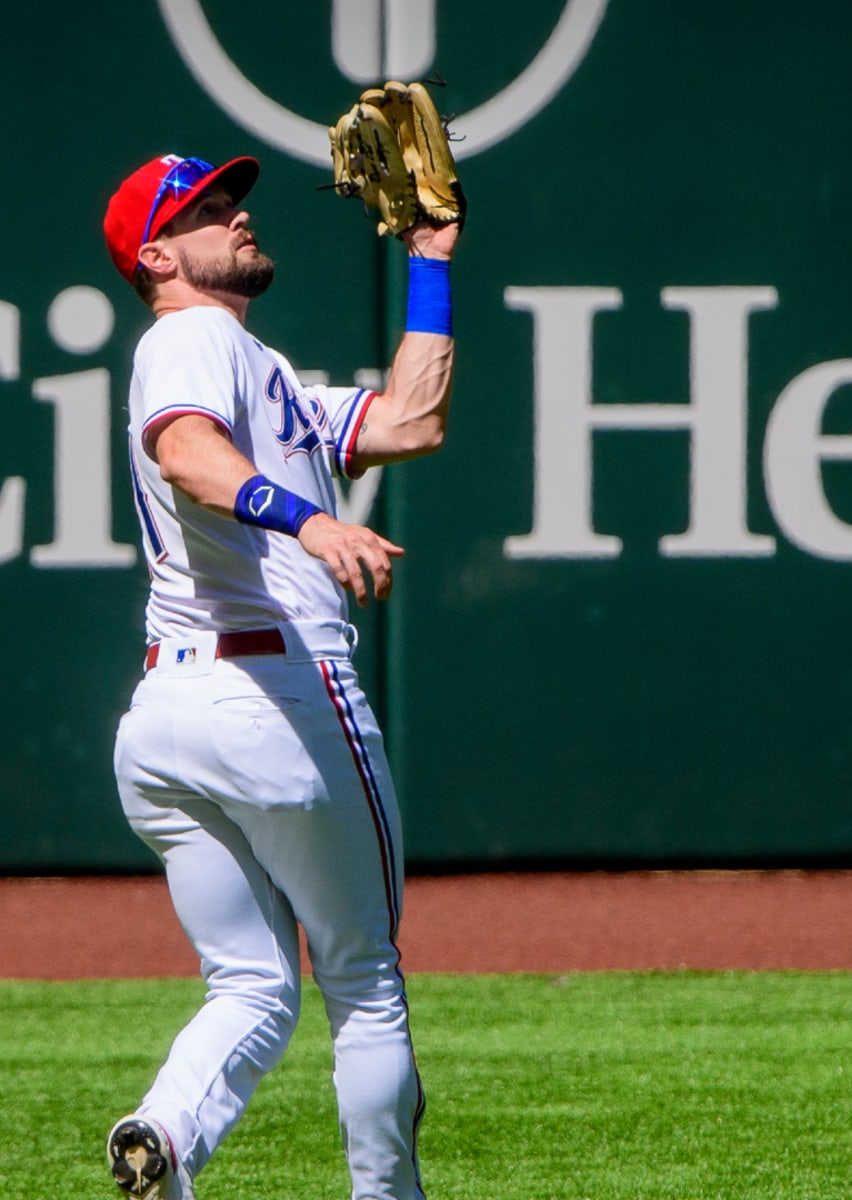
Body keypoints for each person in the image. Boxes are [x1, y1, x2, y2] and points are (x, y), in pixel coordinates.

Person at [100, 152, 459, 1200]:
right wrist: (309, 520)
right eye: (207, 209)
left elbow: (411, 420)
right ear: (159, 255)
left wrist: (430, 262)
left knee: (252, 984)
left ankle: (162, 1136)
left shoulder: (270, 381)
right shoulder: (192, 337)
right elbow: (188, 455)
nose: (238, 213)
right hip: (276, 702)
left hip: (169, 721)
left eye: (233, 198)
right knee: (365, 980)